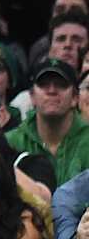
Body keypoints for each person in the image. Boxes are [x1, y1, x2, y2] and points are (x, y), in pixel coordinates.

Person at [8, 55, 89, 184]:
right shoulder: (10, 142)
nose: (51, 90)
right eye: (43, 84)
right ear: (32, 97)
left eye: (61, 85)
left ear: (75, 98)